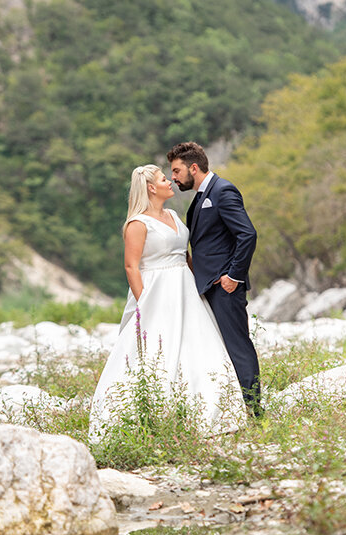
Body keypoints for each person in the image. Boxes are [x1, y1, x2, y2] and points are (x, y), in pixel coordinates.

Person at [89, 164, 245, 440]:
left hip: (184, 286)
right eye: (164, 179)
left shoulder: (173, 214)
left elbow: (184, 254)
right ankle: (153, 414)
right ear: (151, 187)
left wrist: (199, 283)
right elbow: (131, 267)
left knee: (198, 344)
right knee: (157, 348)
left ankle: (212, 411)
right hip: (157, 290)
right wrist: (145, 302)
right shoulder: (138, 223)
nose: (170, 182)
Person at [167, 142, 262, 415]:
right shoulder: (199, 197)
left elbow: (247, 234)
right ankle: (232, 407)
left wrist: (234, 275)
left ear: (193, 167)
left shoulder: (223, 190)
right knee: (220, 348)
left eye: (176, 170)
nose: (173, 177)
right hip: (207, 286)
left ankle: (254, 411)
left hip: (225, 287)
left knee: (238, 345)